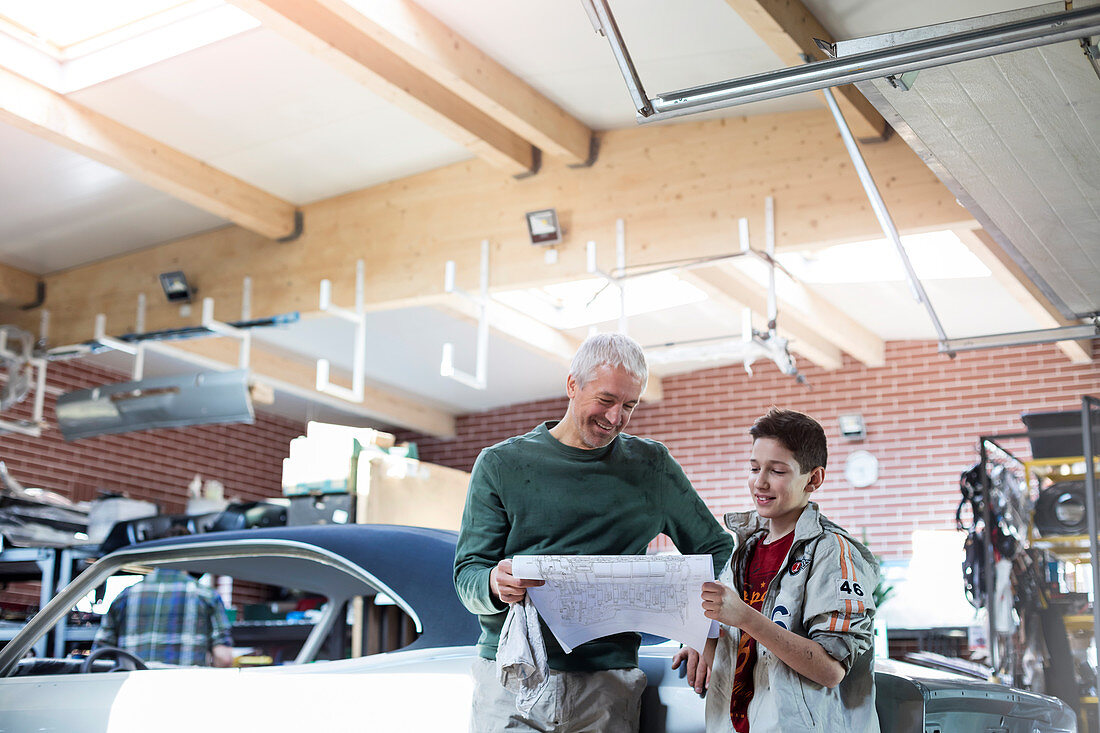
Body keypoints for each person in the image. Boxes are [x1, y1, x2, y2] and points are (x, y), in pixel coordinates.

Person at [454, 332, 734, 732]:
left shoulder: (652, 467)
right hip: (512, 679)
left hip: (607, 685)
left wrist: (705, 632)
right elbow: (468, 575)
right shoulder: (501, 465)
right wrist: (495, 583)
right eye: (606, 400)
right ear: (572, 385)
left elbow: (718, 552)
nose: (616, 418)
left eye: (629, 405)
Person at [691, 407, 879, 732]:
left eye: (777, 471)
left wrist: (745, 616)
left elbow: (830, 669)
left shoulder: (833, 552)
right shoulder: (743, 549)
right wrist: (695, 639)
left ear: (814, 478)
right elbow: (736, 641)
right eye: (754, 467)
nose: (759, 482)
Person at [93, 566, 234, 667]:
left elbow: (100, 655)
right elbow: (223, 658)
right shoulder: (207, 596)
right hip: (187, 692)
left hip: (133, 691)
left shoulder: (124, 596)